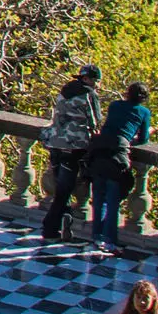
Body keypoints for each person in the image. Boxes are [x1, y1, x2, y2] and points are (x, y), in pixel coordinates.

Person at [40, 64, 103, 243]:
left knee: (61, 186)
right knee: (64, 190)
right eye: (96, 81)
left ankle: (64, 221)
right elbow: (95, 121)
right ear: (88, 79)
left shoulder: (64, 91)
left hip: (54, 142)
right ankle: (50, 226)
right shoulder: (89, 95)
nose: (97, 85)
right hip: (73, 146)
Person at [87, 81, 151, 257]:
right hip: (118, 156)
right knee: (113, 200)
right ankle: (110, 241)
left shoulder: (115, 105)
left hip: (99, 150)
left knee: (99, 197)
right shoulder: (144, 112)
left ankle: (96, 236)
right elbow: (144, 138)